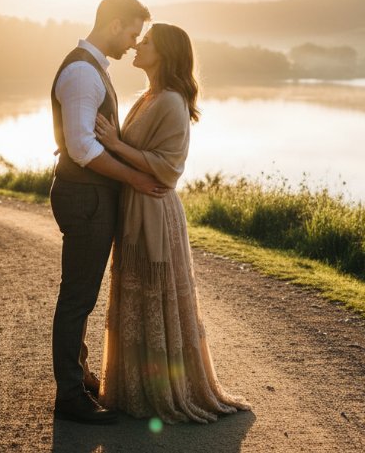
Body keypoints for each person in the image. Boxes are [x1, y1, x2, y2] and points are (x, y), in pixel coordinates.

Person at [94, 23, 250, 423]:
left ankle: (163, 392)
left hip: (155, 210)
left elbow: (169, 168)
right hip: (136, 205)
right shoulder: (148, 96)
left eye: (144, 42)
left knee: (154, 294)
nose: (136, 46)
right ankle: (133, 389)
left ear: (163, 52)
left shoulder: (171, 101)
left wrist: (114, 144)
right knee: (136, 296)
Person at [49, 0, 167, 425]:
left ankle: (75, 378)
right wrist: (136, 178)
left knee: (82, 294)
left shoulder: (92, 67)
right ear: (115, 24)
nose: (134, 43)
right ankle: (69, 396)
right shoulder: (83, 71)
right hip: (87, 197)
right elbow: (81, 146)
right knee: (78, 297)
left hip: (89, 195)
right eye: (133, 32)